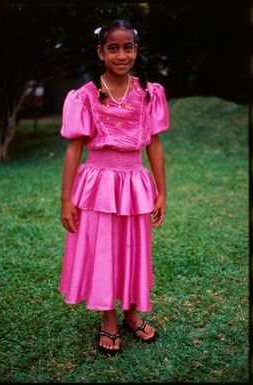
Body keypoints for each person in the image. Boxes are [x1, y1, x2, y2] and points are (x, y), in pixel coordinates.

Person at [58, 19, 169, 355]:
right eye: (114, 48)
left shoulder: (149, 92)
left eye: (128, 47)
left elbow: (155, 146)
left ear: (136, 50)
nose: (122, 54)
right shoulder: (86, 96)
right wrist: (66, 199)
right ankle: (108, 318)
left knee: (134, 247)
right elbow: (74, 149)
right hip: (97, 183)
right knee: (104, 248)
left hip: (135, 181)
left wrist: (162, 191)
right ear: (100, 52)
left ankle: (132, 312)